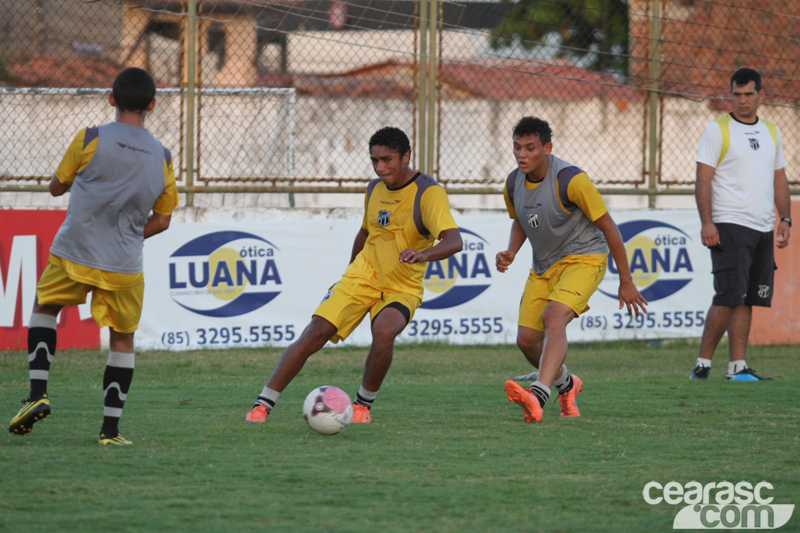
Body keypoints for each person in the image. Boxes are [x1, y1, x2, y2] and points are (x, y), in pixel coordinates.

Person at [245, 127, 463, 424]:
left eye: (387, 159)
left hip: (402, 285)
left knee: (384, 333)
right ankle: (262, 405)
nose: (380, 167)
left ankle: (362, 406)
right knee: (314, 333)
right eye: (374, 160)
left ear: (406, 156)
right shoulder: (374, 188)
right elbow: (365, 232)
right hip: (362, 277)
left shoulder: (428, 193)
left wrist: (424, 254)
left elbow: (454, 240)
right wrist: (349, 274)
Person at [8, 67, 178, 445]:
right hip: (125, 263)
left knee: (45, 306)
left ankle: (38, 394)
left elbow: (56, 188)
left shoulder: (89, 138)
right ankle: (110, 431)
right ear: (152, 105)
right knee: (122, 339)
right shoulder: (163, 157)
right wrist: (133, 231)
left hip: (75, 251)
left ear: (111, 98)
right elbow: (163, 220)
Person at [496, 116, 647, 423]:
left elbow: (609, 226)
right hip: (544, 266)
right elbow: (521, 220)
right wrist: (512, 251)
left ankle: (538, 394)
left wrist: (626, 280)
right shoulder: (513, 183)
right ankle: (567, 385)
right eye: (517, 147)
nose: (522, 154)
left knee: (554, 317)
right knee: (526, 340)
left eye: (530, 148)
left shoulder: (570, 179)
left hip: (585, 257)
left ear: (547, 148)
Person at [690, 68, 791, 381]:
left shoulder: (772, 132)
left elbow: (779, 179)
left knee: (748, 297)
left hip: (762, 227)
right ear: (730, 94)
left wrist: (785, 218)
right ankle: (703, 365)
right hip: (729, 225)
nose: (742, 100)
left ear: (761, 95)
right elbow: (702, 179)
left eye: (748, 94)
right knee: (728, 296)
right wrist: (707, 223)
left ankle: (738, 368)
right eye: (737, 94)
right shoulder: (718, 130)